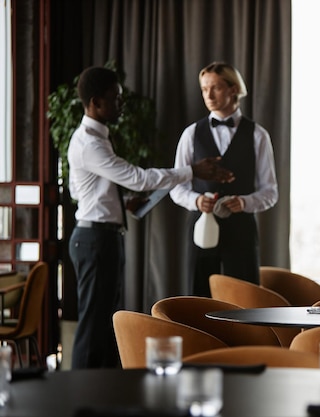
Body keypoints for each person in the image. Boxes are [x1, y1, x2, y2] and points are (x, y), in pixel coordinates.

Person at [68, 66, 234, 369]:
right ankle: (78, 396)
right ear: (95, 102)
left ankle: (99, 392)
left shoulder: (96, 137)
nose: (121, 103)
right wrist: (192, 171)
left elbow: (80, 190)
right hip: (95, 240)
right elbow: (137, 177)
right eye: (115, 98)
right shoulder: (90, 142)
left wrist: (121, 202)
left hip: (101, 237)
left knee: (105, 323)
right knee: (93, 327)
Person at [170, 62, 278, 296]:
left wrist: (244, 203)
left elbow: (270, 192)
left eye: (215, 87)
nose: (208, 94)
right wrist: (196, 201)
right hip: (201, 229)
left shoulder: (258, 135)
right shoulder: (191, 133)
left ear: (233, 89)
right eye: (204, 88)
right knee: (198, 300)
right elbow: (177, 188)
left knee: (242, 300)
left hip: (242, 233)